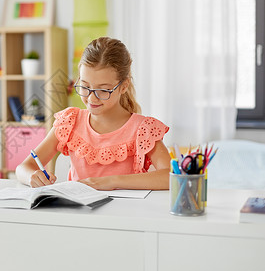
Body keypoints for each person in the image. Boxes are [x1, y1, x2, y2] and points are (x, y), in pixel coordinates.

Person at [16, 37, 171, 190]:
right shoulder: (70, 122)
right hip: (80, 213)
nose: (91, 98)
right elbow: (23, 167)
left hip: (125, 213)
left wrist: (113, 181)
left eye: (103, 90)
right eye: (84, 86)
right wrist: (32, 176)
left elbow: (170, 177)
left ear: (124, 86)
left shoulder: (143, 129)